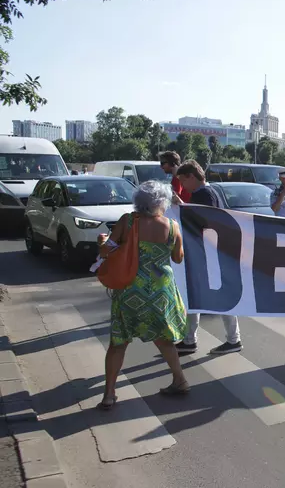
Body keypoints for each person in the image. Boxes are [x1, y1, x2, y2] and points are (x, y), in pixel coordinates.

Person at [97, 181, 190, 409]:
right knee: (164, 339)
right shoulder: (172, 226)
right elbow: (178, 258)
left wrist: (101, 241)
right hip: (160, 291)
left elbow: (106, 250)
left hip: (130, 288)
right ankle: (180, 380)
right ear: (163, 202)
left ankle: (109, 394)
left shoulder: (127, 221)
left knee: (118, 342)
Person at [174, 160, 243, 355]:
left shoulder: (202, 194)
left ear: (191, 177)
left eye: (183, 181)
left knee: (201, 295)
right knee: (197, 295)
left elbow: (201, 221)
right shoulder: (211, 192)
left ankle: (230, 339)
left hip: (207, 253)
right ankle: (193, 339)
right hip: (211, 252)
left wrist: (180, 206)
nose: (182, 186)